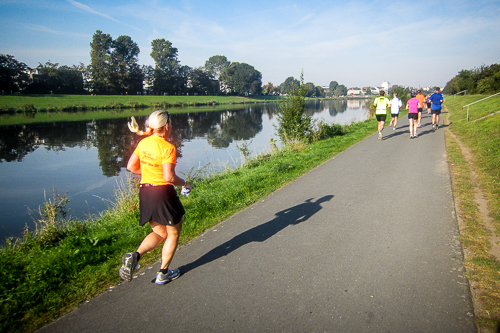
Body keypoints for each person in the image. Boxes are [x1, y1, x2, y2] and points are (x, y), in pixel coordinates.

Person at [120, 110, 191, 285]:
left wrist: (149, 174)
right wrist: (184, 183)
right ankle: (163, 273)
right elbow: (169, 177)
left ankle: (135, 255)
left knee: (159, 232)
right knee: (173, 233)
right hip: (163, 193)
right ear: (166, 126)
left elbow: (130, 166)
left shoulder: (143, 143)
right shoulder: (168, 148)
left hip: (145, 192)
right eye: (171, 124)